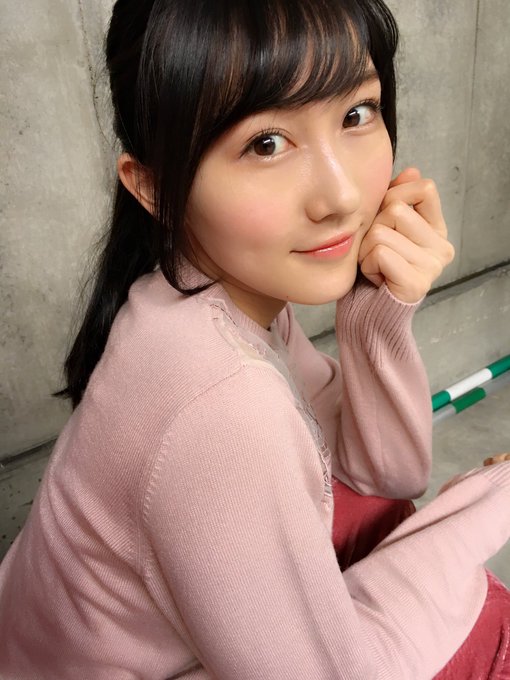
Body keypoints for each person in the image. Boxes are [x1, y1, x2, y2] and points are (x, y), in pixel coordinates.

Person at [0, 0, 509, 677]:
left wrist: (377, 308)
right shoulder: (220, 401)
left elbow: (383, 475)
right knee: (489, 620)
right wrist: (488, 503)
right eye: (266, 143)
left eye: (356, 113)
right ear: (152, 186)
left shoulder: (204, 292)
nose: (341, 197)